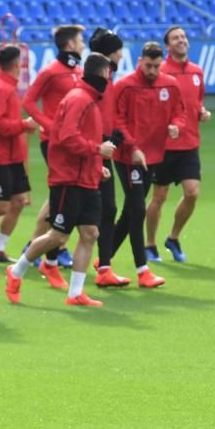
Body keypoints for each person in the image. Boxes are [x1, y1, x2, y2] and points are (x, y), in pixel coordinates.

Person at [5, 54, 117, 307]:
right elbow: (67, 138)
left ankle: (75, 293)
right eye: (109, 75)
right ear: (102, 75)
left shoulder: (88, 99)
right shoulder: (79, 99)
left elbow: (82, 137)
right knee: (57, 236)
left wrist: (97, 166)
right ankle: (17, 270)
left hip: (85, 177)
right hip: (68, 179)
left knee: (90, 233)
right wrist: (98, 151)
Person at [110, 41, 185, 289]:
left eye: (156, 66)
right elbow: (117, 121)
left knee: (130, 211)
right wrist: (133, 147)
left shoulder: (170, 85)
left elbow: (179, 112)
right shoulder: (125, 86)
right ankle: (142, 270)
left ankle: (104, 259)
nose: (152, 71)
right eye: (148, 65)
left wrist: (176, 125)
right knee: (137, 209)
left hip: (153, 156)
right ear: (139, 61)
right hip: (128, 157)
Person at [22, 24, 87, 272]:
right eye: (80, 40)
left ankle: (40, 245)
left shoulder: (78, 71)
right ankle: (53, 248)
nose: (82, 44)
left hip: (73, 142)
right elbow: (28, 101)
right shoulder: (50, 71)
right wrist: (50, 125)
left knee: (58, 197)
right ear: (70, 44)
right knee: (64, 195)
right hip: (54, 143)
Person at [145, 25, 211, 263]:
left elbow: (197, 102)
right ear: (167, 46)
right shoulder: (158, 71)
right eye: (176, 38)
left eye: (183, 37)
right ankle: (150, 244)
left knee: (192, 193)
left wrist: (202, 112)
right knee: (159, 196)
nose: (181, 40)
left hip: (190, 143)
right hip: (163, 146)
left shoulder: (197, 72)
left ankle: (173, 237)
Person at [88, 28, 133, 289]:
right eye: (118, 49)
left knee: (107, 209)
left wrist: (114, 137)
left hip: (101, 150)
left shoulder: (109, 81)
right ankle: (36, 257)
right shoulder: (95, 83)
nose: (122, 53)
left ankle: (104, 267)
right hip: (90, 150)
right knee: (70, 214)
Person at [0, 44, 38, 263]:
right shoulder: (0, 88)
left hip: (13, 156)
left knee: (17, 201)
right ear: (17, 65)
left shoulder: (7, 87)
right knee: (1, 205)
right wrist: (23, 125)